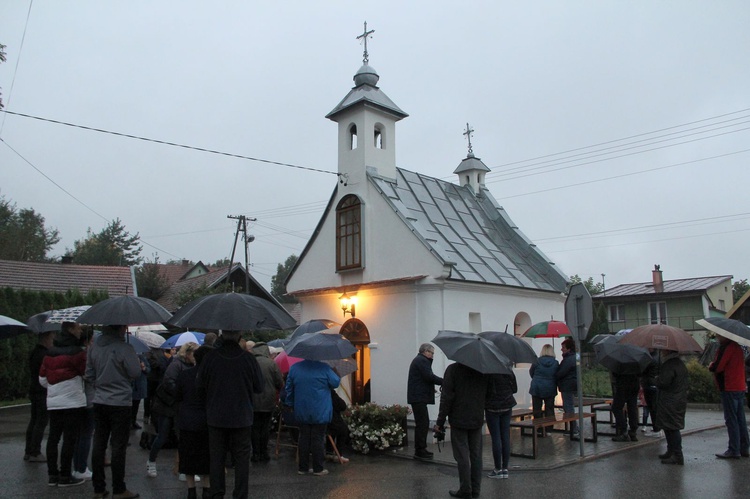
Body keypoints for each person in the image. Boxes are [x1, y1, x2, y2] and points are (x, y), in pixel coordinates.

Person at [196, 330, 264, 498]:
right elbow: (259, 387)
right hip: (242, 416)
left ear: (222, 336)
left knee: (217, 458)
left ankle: (217, 493)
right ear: (239, 336)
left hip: (216, 416)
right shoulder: (248, 359)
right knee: (241, 459)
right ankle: (240, 494)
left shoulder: (210, 358)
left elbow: (199, 384)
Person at [85, 324, 142, 498]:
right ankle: (119, 488)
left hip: (100, 400)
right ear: (120, 329)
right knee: (118, 446)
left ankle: (98, 487)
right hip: (120, 402)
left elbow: (88, 374)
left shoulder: (94, 348)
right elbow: (135, 372)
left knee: (99, 443)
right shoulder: (124, 348)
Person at [39, 321, 88, 487]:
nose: (80, 331)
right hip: (72, 401)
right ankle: (66, 475)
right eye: (78, 328)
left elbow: (42, 379)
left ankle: (52, 475)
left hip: (53, 402)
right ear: (71, 330)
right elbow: (86, 374)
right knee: (69, 439)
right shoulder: (77, 353)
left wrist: (55, 388)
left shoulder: (49, 354)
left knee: (53, 438)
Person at [434, 362, 489, 499]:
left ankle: (465, 489)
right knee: (476, 455)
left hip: (459, 418)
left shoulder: (453, 370)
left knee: (462, 456)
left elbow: (446, 398)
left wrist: (440, 421)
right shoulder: (481, 370)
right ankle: (475, 489)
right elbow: (488, 393)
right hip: (476, 418)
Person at [147, 342, 198, 478]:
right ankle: (151, 461)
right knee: (162, 436)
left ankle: (184, 469)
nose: (195, 357)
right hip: (168, 406)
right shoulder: (176, 365)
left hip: (180, 406)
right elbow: (168, 382)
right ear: (187, 353)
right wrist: (182, 393)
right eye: (193, 353)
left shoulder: (192, 366)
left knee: (182, 438)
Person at [285, 358, 340, 476]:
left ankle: (303, 468)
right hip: (320, 409)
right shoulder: (324, 368)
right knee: (318, 438)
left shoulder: (295, 368)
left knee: (303, 437)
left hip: (301, 408)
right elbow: (336, 383)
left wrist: (290, 403)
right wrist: (334, 369)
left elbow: (289, 388)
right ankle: (318, 468)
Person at [176, 345, 212, 499]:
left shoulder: (185, 375)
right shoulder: (211, 377)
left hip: (187, 420)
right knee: (206, 456)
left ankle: (191, 490)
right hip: (207, 420)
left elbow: (178, 396)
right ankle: (206, 488)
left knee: (188, 456)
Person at [709, 336, 750, 459]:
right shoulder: (737, 347)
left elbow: (719, 366)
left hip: (729, 386)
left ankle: (734, 449)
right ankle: (744, 447)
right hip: (739, 386)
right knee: (740, 419)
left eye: (718, 335)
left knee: (731, 419)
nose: (717, 337)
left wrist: (711, 366)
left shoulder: (726, 348)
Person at [407, 343, 443, 459]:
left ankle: (421, 449)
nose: (432, 355)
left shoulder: (419, 360)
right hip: (418, 397)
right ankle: (420, 450)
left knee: (422, 423)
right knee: (423, 423)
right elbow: (429, 376)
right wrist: (445, 381)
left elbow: (422, 379)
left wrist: (430, 388)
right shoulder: (422, 361)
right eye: (431, 353)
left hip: (417, 396)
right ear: (425, 351)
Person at [249, 342, 283, 463]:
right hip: (268, 400)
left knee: (254, 427)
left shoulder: (250, 363)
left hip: (252, 401)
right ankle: (264, 452)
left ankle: (255, 453)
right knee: (265, 427)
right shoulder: (271, 363)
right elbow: (279, 382)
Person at [24, 329, 55, 463]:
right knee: (41, 421)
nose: (53, 340)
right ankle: (35, 451)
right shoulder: (44, 354)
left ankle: (28, 450)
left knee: (34, 420)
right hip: (42, 390)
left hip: (34, 389)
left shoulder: (34, 352)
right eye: (52, 337)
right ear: (47, 337)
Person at [655, 350, 688, 465]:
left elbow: (664, 382)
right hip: (677, 399)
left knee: (672, 428)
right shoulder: (679, 363)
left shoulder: (670, 365)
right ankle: (671, 451)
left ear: (667, 351)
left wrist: (657, 379)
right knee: (668, 426)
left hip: (670, 400)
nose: (661, 352)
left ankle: (677, 454)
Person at [73, 329, 96, 481]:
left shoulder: (73, 353)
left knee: (78, 435)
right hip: (88, 398)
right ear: (87, 340)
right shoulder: (85, 355)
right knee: (86, 435)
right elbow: (90, 377)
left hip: (76, 399)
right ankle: (81, 467)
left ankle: (78, 466)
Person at [485, 372, 517, 480]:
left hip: (492, 407)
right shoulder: (507, 370)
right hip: (507, 405)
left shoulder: (487, 372)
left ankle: (497, 469)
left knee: (496, 438)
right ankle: (505, 468)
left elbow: (484, 390)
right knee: (505, 436)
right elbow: (515, 389)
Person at [529, 344, 558, 437]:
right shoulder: (555, 363)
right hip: (550, 387)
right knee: (549, 409)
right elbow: (557, 374)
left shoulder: (536, 361)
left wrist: (537, 379)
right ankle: (549, 429)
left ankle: (539, 428)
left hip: (537, 387)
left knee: (537, 409)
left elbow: (531, 372)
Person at [556, 338, 578, 438]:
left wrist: (555, 375)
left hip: (567, 385)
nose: (561, 349)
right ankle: (574, 428)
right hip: (573, 384)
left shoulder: (568, 359)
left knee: (568, 407)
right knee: (570, 406)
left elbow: (561, 373)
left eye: (563, 347)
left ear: (569, 349)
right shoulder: (576, 357)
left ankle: (574, 429)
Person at [610, 371, 640, 442]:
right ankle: (633, 431)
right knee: (632, 407)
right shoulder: (635, 361)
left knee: (616, 408)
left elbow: (615, 373)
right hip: (635, 384)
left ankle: (624, 431)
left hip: (623, 385)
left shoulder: (620, 361)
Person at [640, 350, 661, 437]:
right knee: (654, 407)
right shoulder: (658, 357)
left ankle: (656, 429)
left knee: (652, 408)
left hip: (649, 384)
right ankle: (657, 428)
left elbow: (642, 370)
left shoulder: (650, 359)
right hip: (654, 384)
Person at [326, 387, 350, 463]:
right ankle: (338, 453)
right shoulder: (330, 393)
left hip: (321, 419)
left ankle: (329, 451)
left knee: (331, 431)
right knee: (343, 430)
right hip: (331, 418)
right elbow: (341, 405)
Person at [131, 352, 150, 430]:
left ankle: (133, 421)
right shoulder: (127, 356)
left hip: (138, 386)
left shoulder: (142, 357)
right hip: (130, 385)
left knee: (136, 405)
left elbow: (148, 369)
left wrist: (143, 367)